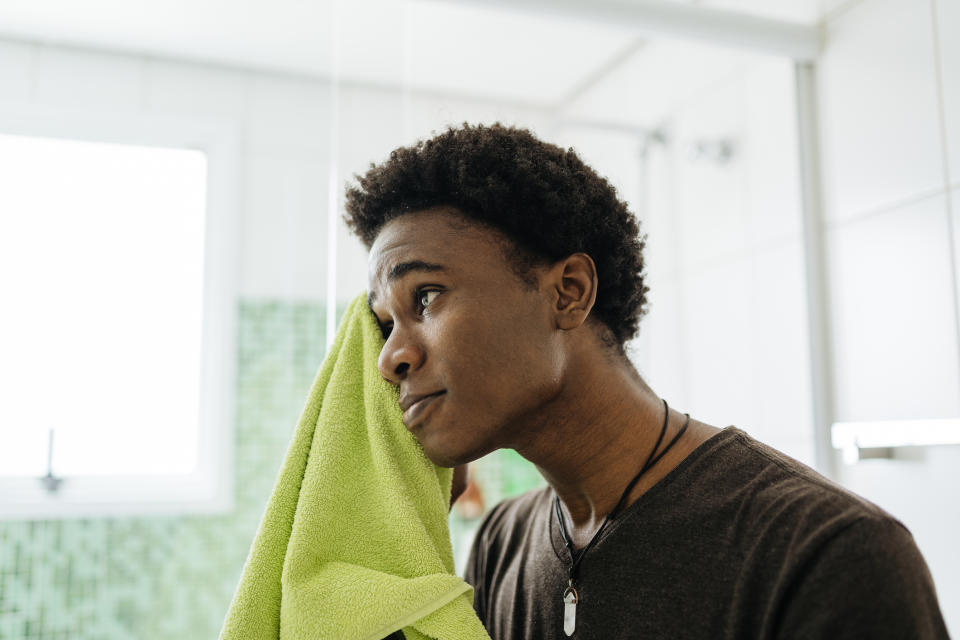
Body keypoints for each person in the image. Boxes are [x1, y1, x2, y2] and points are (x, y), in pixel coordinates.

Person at [346, 123, 950, 639]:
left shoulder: (826, 553)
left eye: (424, 297)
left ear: (568, 293)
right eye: (384, 323)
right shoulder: (501, 543)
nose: (389, 358)